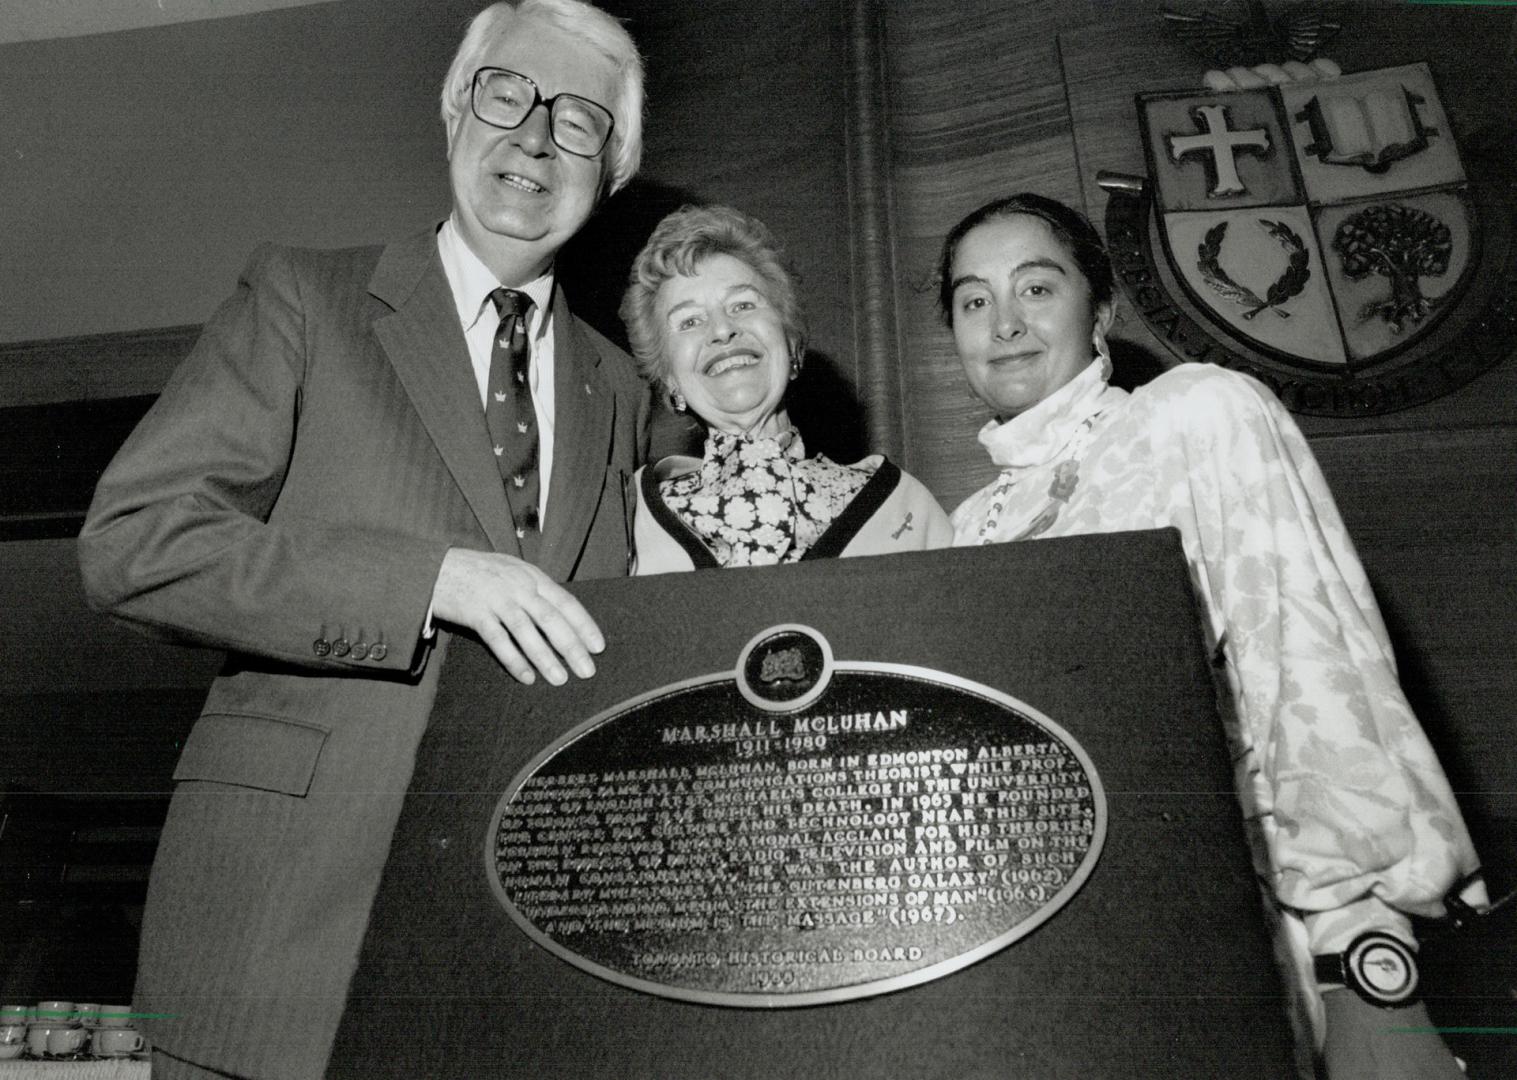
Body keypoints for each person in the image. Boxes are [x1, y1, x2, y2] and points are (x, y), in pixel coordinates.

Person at [76, 2, 654, 1077]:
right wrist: (427, 581)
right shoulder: (304, 296)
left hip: (509, 972)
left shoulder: (618, 385)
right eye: (508, 94)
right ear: (453, 111)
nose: (534, 136)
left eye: (578, 121)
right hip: (273, 953)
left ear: (610, 169)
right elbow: (134, 539)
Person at [937, 192, 1485, 1079]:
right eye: (973, 300)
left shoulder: (1196, 413)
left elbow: (1309, 663)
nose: (1003, 324)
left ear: (1101, 309)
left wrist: (1363, 961)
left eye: (1036, 289)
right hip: (1057, 969)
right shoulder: (964, 529)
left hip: (1232, 931)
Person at [620, 204, 952, 572]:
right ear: (668, 378)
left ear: (792, 344)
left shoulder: (899, 506)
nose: (721, 330)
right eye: (689, 321)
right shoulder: (628, 519)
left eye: (743, 304)